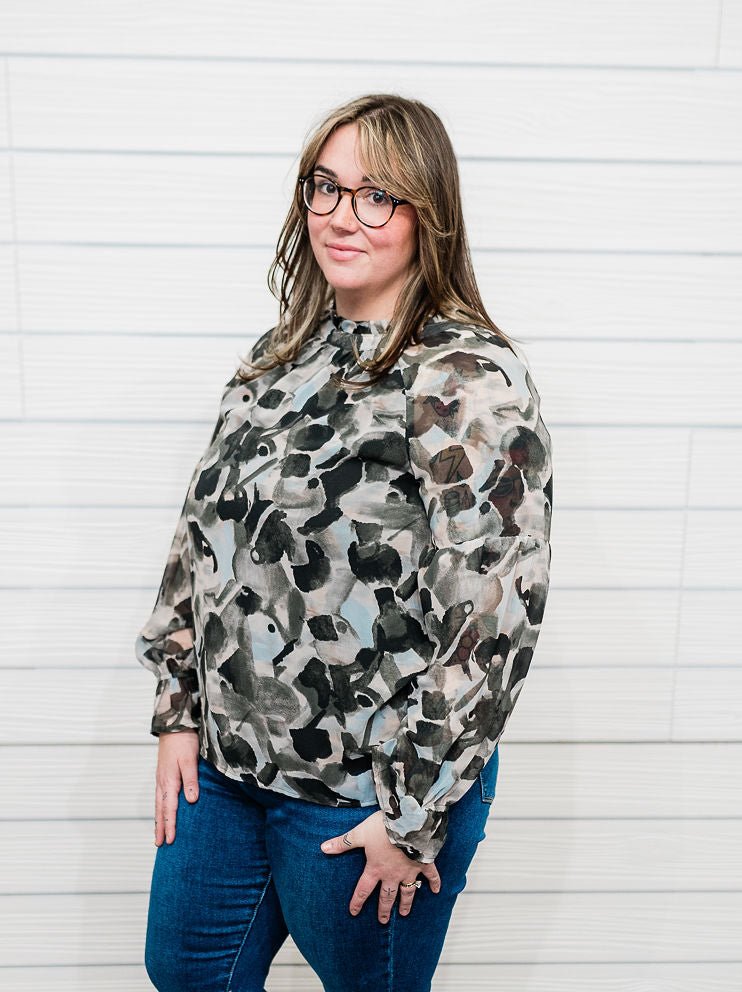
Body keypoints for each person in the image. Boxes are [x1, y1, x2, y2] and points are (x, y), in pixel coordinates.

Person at [137, 93, 553, 992]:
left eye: (376, 195)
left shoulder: (466, 376)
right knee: (186, 973)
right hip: (227, 776)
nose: (340, 215)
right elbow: (200, 539)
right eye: (325, 187)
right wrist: (178, 713)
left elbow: (492, 621)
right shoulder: (280, 354)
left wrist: (411, 813)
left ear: (427, 212)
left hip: (364, 796)